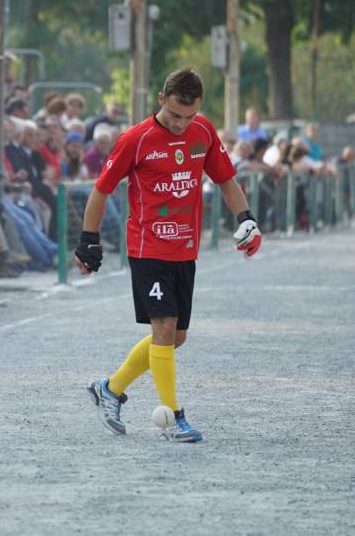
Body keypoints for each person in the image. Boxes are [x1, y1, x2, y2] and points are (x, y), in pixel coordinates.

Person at [78, 68, 261, 442]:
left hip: (185, 248)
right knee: (162, 330)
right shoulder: (136, 139)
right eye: (175, 115)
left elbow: (225, 179)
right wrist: (88, 239)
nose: (181, 124)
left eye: (189, 116)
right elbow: (101, 190)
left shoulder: (204, 132)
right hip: (147, 248)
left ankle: (109, 389)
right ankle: (174, 417)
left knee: (175, 338)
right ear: (161, 100)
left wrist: (247, 219)